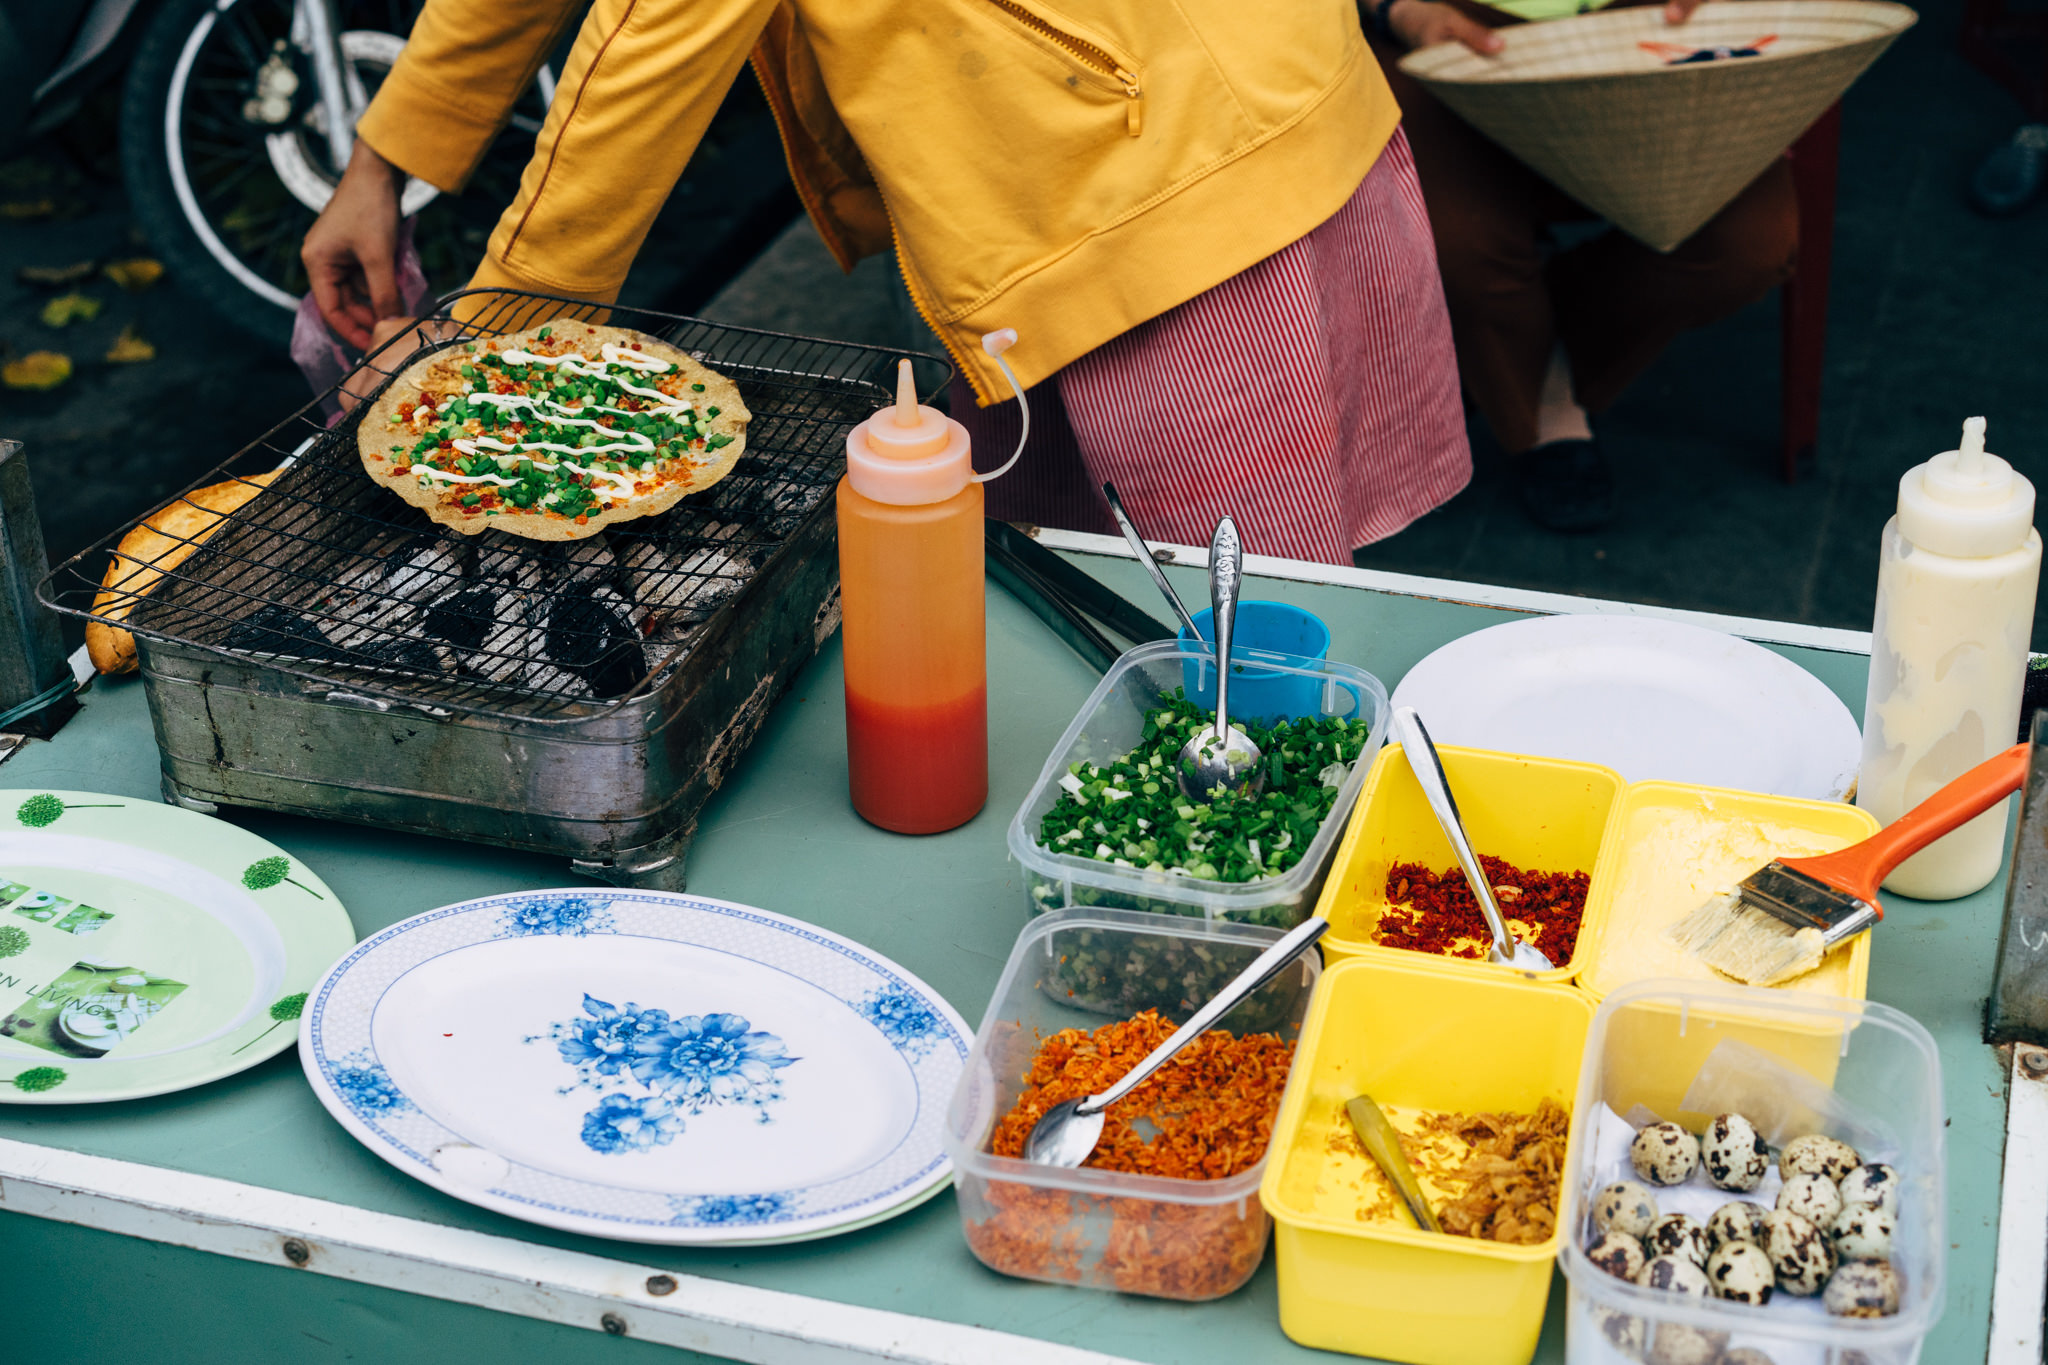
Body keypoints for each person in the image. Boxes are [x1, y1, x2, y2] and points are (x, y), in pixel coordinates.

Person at [302, 0, 1471, 566]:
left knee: (1236, 656)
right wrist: (384, 163)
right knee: (1100, 605)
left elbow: (655, 33)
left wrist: (502, 348)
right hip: (1097, 145)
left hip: (1164, 181)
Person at [1365, 0, 1800, 531]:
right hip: (1451, 23)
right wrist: (1395, 10)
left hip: (1651, 24)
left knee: (1749, 242)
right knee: (1455, 239)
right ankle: (1542, 407)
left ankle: (1518, 352)